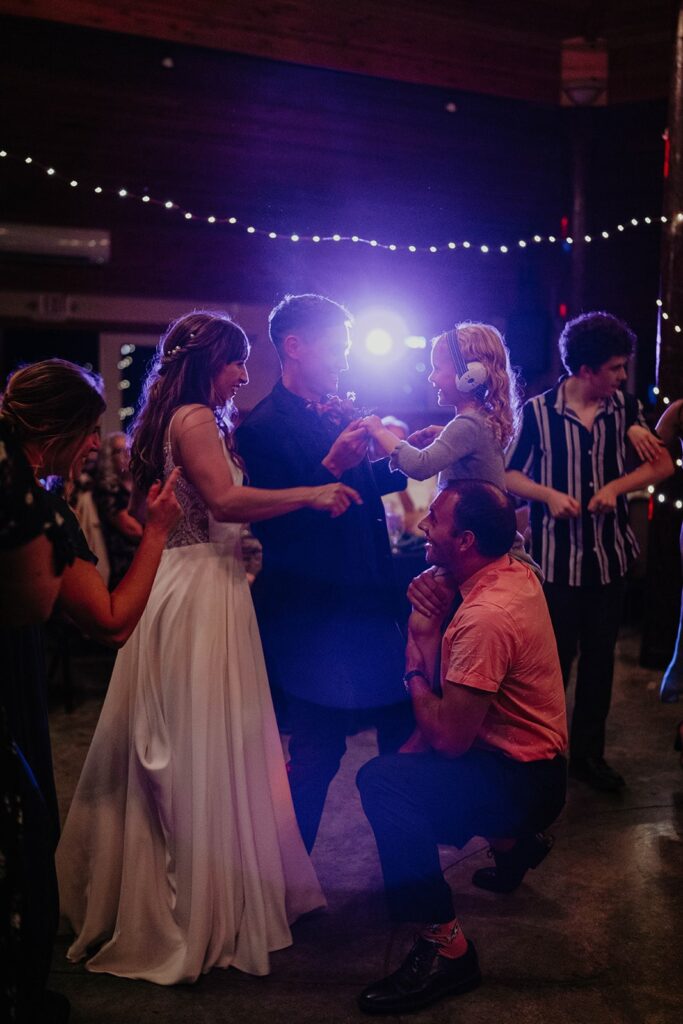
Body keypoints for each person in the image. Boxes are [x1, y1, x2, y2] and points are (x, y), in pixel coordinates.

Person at [57, 310, 360, 985]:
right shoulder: (195, 418)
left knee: (213, 742)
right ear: (208, 362)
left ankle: (222, 887)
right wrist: (312, 492)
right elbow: (222, 500)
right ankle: (193, 908)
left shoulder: (185, 417)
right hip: (197, 594)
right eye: (236, 362)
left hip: (202, 582)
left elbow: (164, 508)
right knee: (199, 745)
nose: (244, 375)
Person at [0, 359, 181, 1023]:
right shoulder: (35, 509)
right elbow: (109, 622)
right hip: (9, 687)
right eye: (88, 431)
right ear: (60, 429)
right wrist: (158, 531)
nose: (91, 447)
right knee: (23, 838)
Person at [356, 481, 568, 1015]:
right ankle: (515, 845)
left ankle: (446, 947)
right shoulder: (517, 568)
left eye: (435, 522)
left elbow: (449, 740)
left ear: (468, 540)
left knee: (380, 783)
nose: (423, 526)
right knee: (403, 760)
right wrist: (447, 575)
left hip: (524, 781)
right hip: (532, 763)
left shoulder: (485, 617)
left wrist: (417, 649)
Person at [236, 293, 413, 853]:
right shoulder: (260, 428)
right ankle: (287, 880)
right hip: (315, 617)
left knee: (401, 738)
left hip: (371, 600)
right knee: (317, 752)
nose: (343, 358)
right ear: (295, 346)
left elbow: (366, 490)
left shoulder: (336, 407)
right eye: (336, 347)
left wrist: (406, 458)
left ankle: (410, 890)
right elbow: (279, 531)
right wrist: (331, 465)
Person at [505, 311, 674, 791]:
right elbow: (509, 474)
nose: (623, 376)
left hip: (608, 559)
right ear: (585, 371)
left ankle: (589, 756)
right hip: (555, 561)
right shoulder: (538, 411)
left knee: (601, 664)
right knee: (552, 665)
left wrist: (616, 487)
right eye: (616, 368)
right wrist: (549, 496)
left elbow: (661, 467)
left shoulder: (624, 409)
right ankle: (544, 757)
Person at [364, 323, 519, 495]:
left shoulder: (468, 424)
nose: (431, 377)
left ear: (469, 375)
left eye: (437, 368)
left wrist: (380, 432)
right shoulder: (478, 421)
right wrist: (446, 434)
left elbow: (420, 466)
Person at [93, 432, 142, 588]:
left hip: (142, 558)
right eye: (119, 450)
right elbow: (132, 529)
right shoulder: (108, 489)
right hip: (122, 565)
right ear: (108, 457)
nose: (126, 454)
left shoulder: (139, 485)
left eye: (128, 448)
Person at [377, 416, 437, 537]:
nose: (395, 446)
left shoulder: (425, 473)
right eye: (389, 438)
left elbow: (436, 514)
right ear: (376, 443)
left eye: (401, 440)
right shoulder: (373, 479)